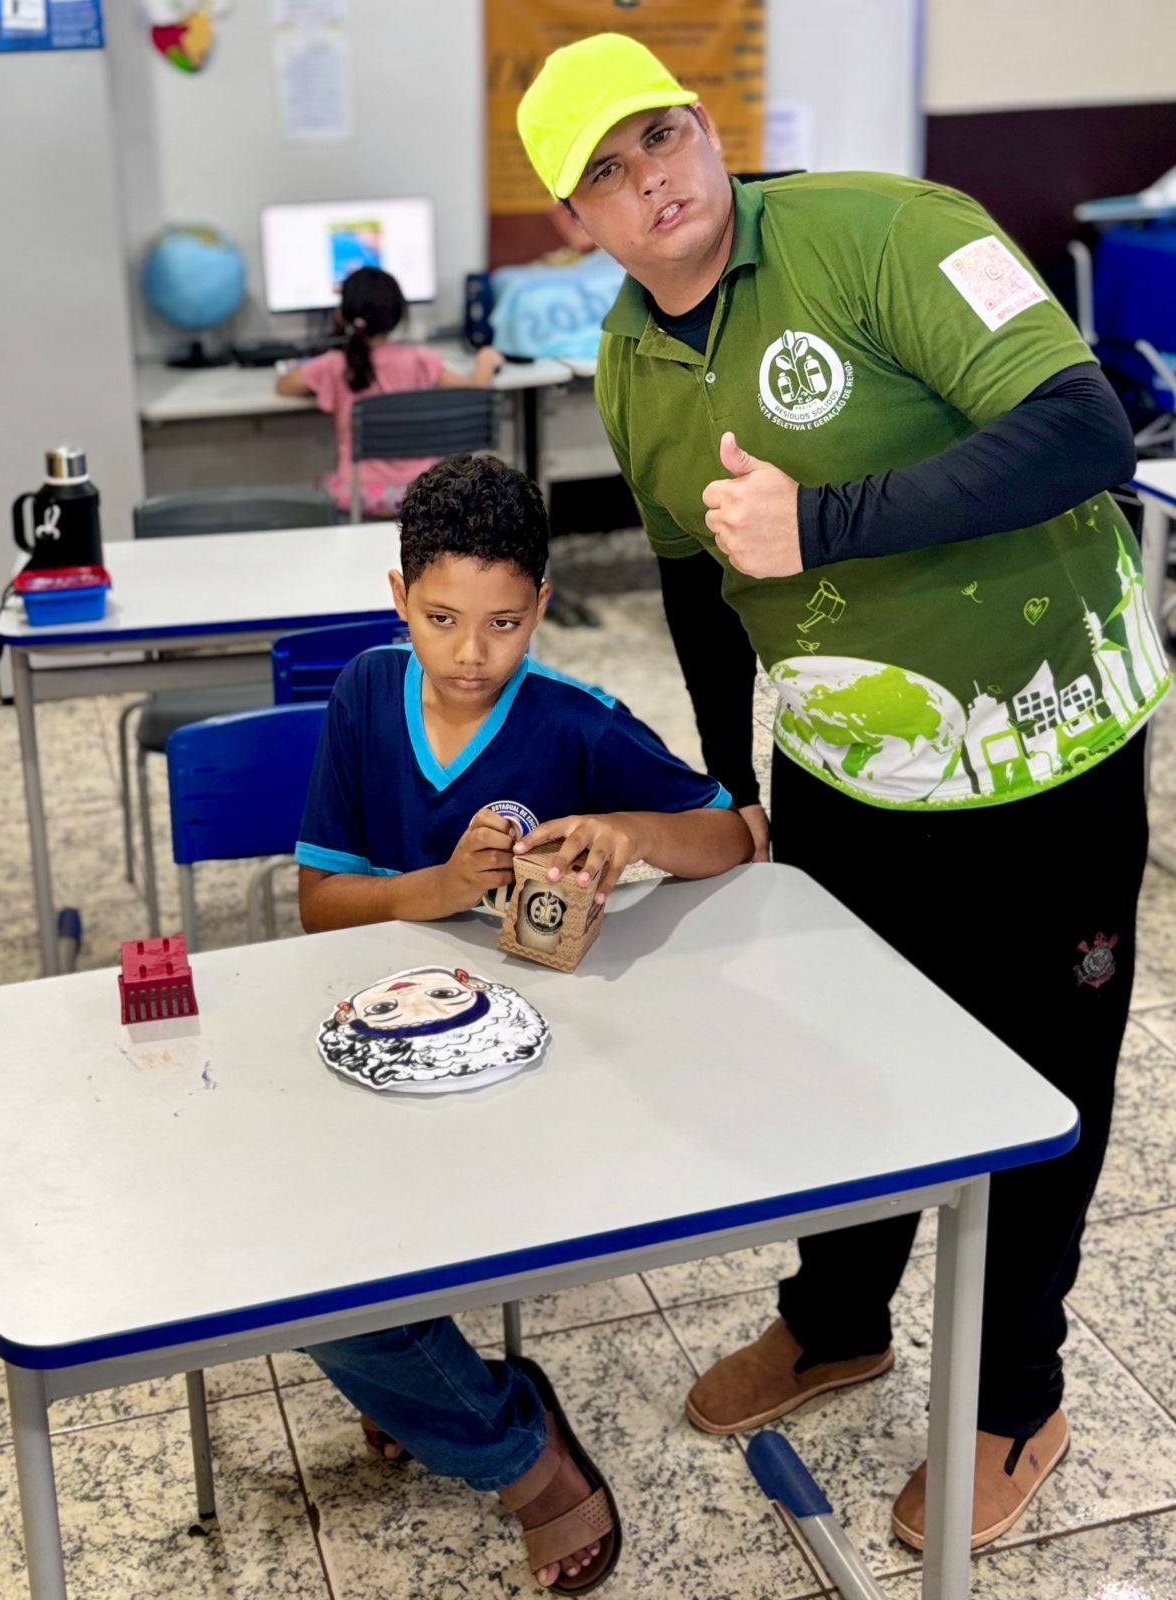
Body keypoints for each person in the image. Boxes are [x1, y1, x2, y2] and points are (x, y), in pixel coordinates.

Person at [516, 32, 1171, 1551]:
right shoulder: (626, 360)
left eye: (661, 134)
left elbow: (1084, 429)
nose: (650, 179)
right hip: (845, 770)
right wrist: (727, 781)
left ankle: (1016, 1399)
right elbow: (694, 581)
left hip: (1044, 748)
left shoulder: (886, 230)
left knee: (1041, 1085)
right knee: (841, 1059)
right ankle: (837, 1318)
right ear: (575, 221)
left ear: (705, 125)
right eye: (605, 171)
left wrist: (824, 522)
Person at [294, 452, 753, 1591]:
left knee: (366, 1290)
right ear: (398, 598)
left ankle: (500, 1447)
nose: (470, 654)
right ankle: (494, 1420)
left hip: (542, 1067)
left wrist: (629, 835)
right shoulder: (364, 694)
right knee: (309, 1274)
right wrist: (438, 888)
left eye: (503, 624)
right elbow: (318, 906)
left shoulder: (575, 722)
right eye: (440, 619)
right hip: (385, 1054)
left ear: (542, 607)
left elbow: (734, 834)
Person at [274, 266, 503, 516]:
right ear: (398, 315)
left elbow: (284, 386)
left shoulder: (334, 365)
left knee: (320, 483)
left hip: (360, 495)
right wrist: (486, 359)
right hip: (422, 492)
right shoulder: (420, 360)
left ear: (343, 314)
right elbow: (476, 389)